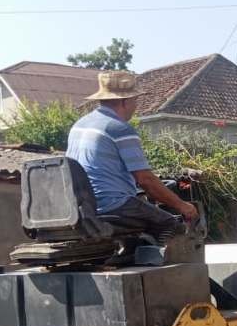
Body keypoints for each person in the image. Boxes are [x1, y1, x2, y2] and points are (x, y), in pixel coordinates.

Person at [66, 71, 198, 242]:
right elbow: (146, 180)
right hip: (113, 205)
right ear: (124, 101)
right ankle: (154, 262)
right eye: (135, 100)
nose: (136, 106)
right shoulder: (119, 129)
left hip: (83, 207)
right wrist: (183, 206)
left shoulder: (79, 125)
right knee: (171, 224)